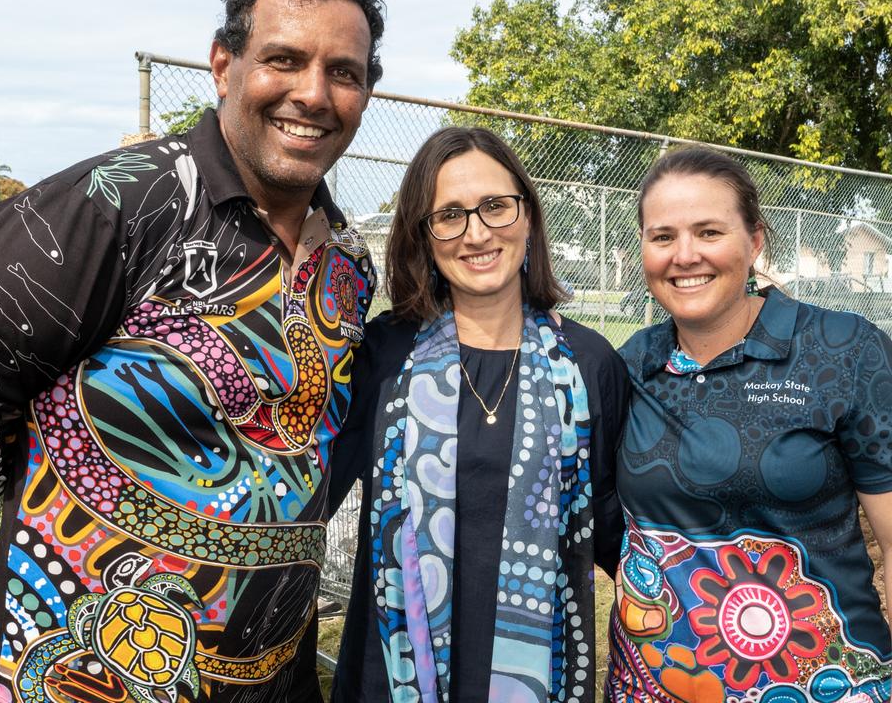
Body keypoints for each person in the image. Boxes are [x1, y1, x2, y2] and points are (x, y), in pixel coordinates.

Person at [0, 0, 384, 702]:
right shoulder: (113, 205)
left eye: (344, 71)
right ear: (224, 66)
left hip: (270, 671)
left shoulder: (346, 260)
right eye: (284, 59)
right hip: (98, 667)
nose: (313, 93)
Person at [328, 126, 629, 702]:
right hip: (392, 674)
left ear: (528, 216)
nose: (477, 233)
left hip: (541, 671)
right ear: (424, 234)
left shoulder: (588, 365)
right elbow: (302, 494)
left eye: (495, 206)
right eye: (451, 215)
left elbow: (623, 532)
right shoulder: (382, 354)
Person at [607, 148, 892, 703]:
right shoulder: (626, 367)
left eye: (709, 231)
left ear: (755, 240)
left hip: (825, 683)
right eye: (662, 237)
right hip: (652, 685)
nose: (684, 255)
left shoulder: (845, 351)